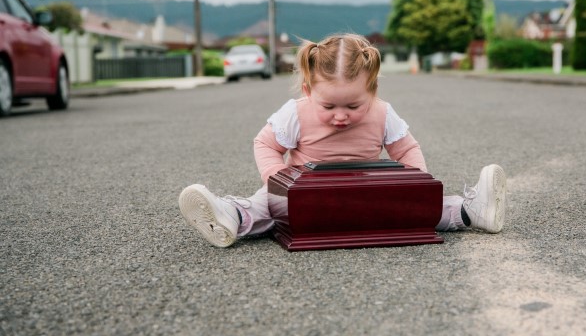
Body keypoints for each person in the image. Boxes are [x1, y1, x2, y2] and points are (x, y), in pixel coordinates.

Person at [178, 33, 507, 248]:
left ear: (372, 91)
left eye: (353, 106)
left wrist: (413, 187)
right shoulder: (295, 113)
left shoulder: (383, 113)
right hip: (303, 194)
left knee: (421, 209)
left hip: (366, 191)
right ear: (309, 91)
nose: (340, 116)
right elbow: (265, 145)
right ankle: (229, 216)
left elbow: (406, 148)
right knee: (265, 206)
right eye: (328, 106)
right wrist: (276, 180)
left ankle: (472, 211)